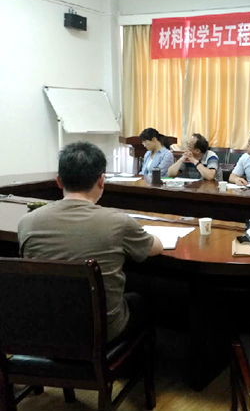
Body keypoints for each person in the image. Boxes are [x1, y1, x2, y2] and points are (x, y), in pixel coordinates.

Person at [18, 142, 163, 342]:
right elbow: (156, 248)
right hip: (99, 332)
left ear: (59, 181)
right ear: (101, 181)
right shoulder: (118, 222)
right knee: (141, 301)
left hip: (45, 329)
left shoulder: (27, 223)